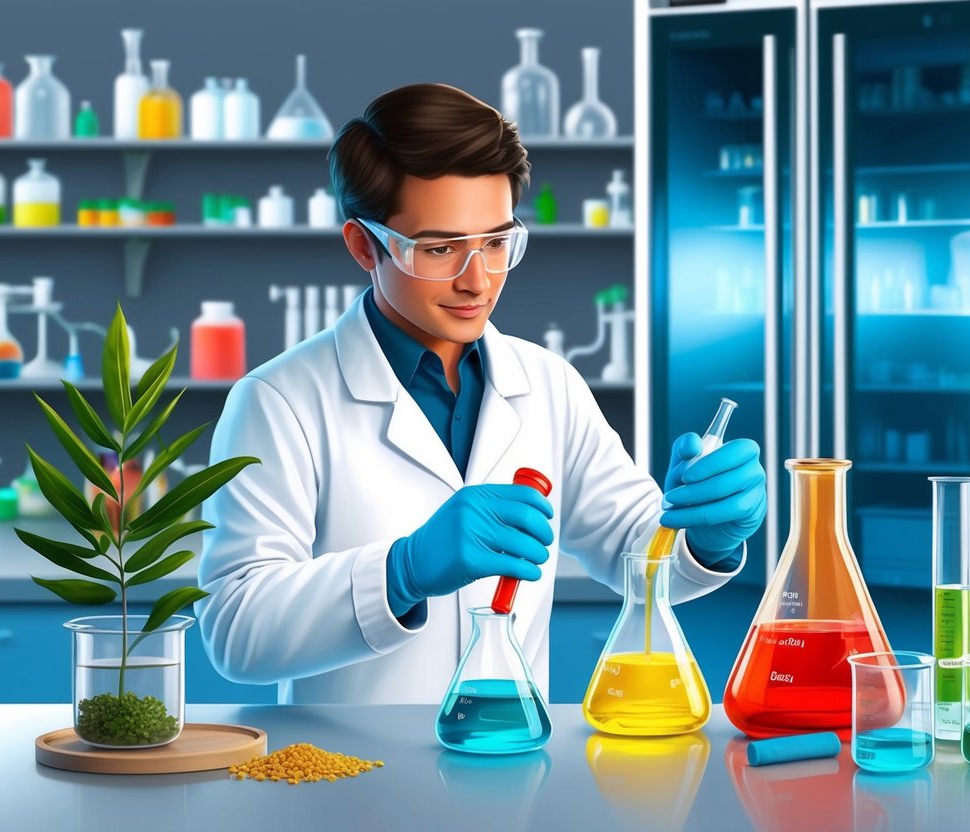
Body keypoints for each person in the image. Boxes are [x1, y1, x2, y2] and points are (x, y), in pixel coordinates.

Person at [195, 83, 767, 704]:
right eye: (440, 249)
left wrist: (705, 536)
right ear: (364, 246)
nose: (477, 280)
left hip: (511, 766)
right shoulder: (279, 401)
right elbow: (235, 631)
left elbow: (638, 555)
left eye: (496, 243)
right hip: (351, 781)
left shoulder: (549, 385)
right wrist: (402, 571)